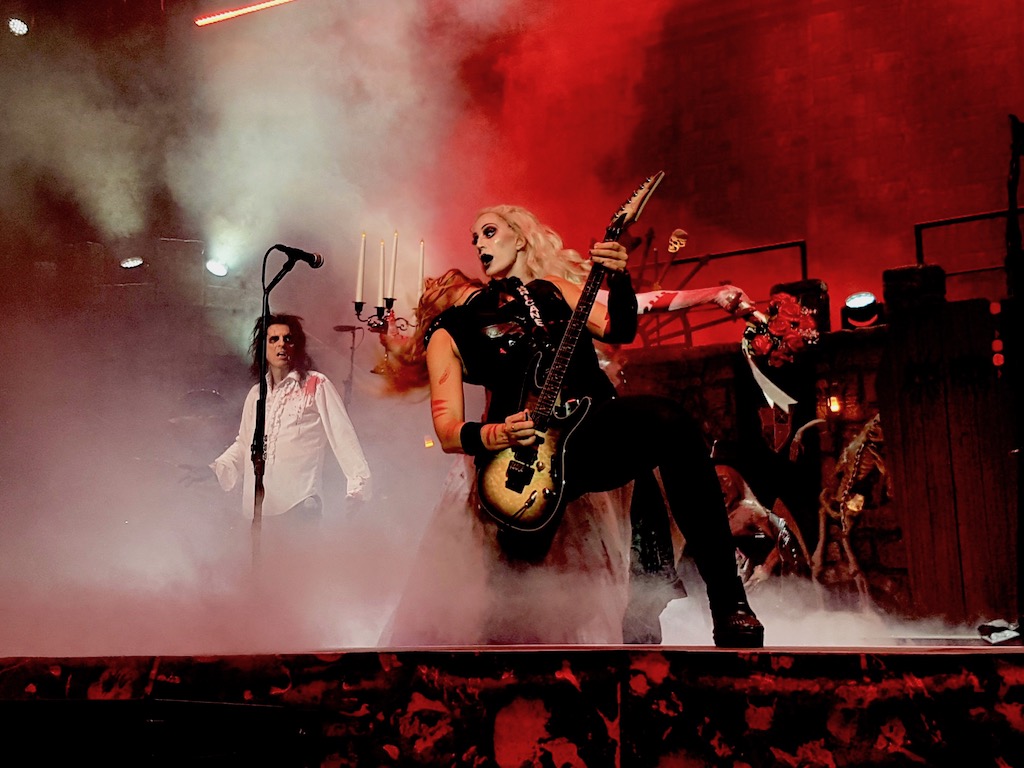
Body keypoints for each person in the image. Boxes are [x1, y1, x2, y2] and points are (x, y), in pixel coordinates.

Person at [381, 205, 763, 647]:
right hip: (519, 457)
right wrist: (498, 434)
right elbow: (448, 429)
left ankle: (729, 604)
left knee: (671, 422)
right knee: (514, 600)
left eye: (488, 232)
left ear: (521, 238)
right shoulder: (452, 329)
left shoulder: (557, 291)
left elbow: (620, 328)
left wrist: (620, 276)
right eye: (474, 239)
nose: (479, 244)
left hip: (588, 433)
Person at [211, 313, 371, 529]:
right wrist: (217, 469)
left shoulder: (316, 384)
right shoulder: (257, 394)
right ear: (263, 347)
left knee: (295, 562)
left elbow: (342, 435)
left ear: (297, 345)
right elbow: (244, 444)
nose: (281, 345)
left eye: (288, 339)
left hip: (300, 506)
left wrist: (358, 487)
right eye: (274, 339)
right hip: (258, 510)